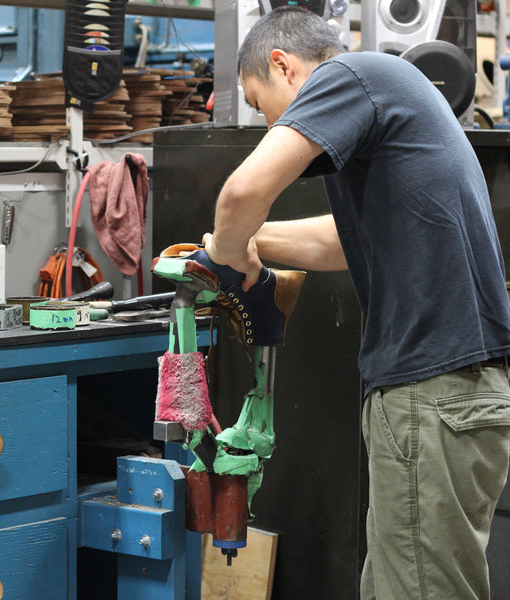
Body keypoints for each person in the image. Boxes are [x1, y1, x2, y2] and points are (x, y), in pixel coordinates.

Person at [202, 6, 510, 599]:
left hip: (432, 389)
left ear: (283, 66)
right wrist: (240, 242)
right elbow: (336, 242)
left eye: (259, 101)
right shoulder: (387, 99)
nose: (268, 124)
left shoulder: (351, 76)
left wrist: (231, 251)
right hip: (450, 394)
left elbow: (244, 189)